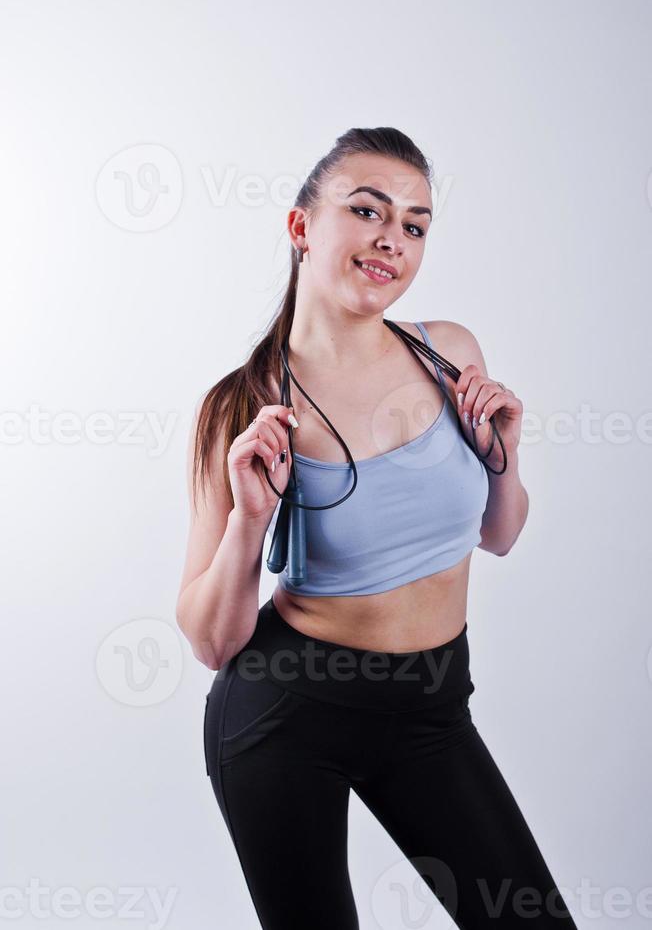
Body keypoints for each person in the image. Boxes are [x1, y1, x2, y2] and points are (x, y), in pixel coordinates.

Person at [176, 127, 577, 929]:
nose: (393, 237)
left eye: (416, 224)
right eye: (367, 210)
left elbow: (499, 535)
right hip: (286, 713)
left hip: (432, 709)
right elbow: (213, 642)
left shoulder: (447, 353)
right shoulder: (241, 405)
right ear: (301, 228)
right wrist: (250, 521)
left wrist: (504, 459)